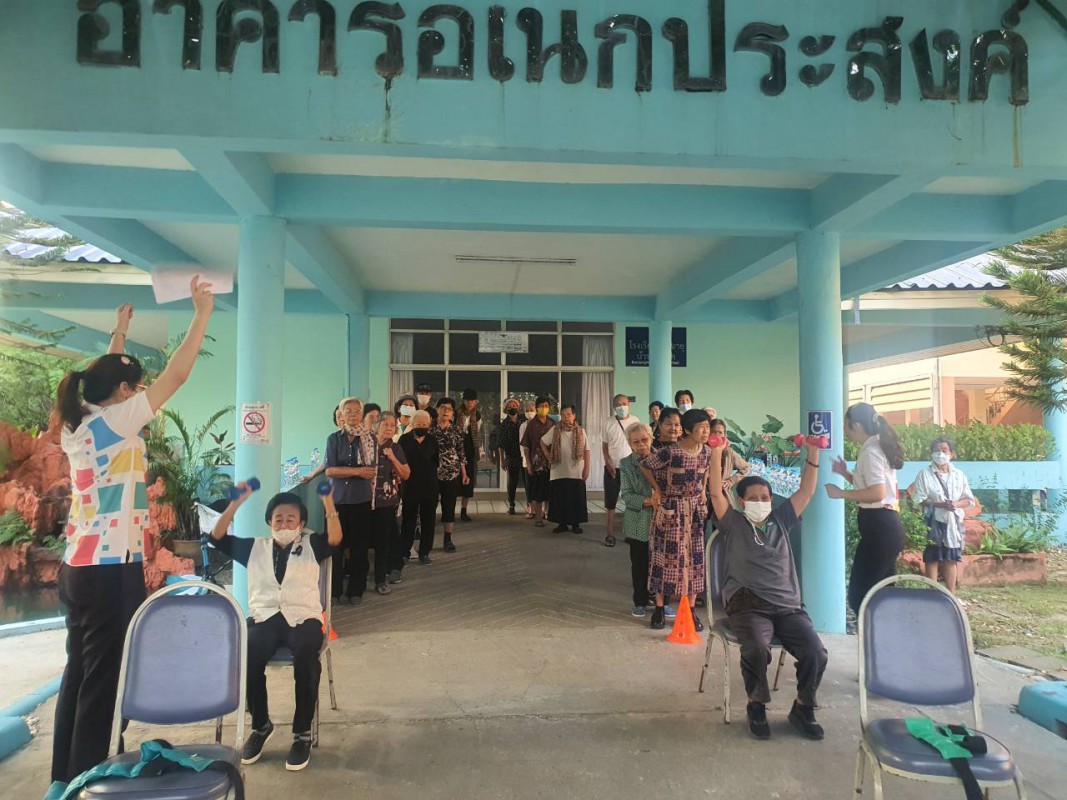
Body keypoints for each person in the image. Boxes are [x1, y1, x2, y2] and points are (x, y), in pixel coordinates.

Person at [50, 282, 214, 786]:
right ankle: (87, 782)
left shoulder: (78, 423)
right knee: (102, 682)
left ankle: (63, 781)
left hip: (77, 567)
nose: (144, 394)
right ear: (124, 393)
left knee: (79, 673)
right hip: (107, 572)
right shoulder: (118, 423)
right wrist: (202, 312)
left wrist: (118, 336)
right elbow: (177, 374)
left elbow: (103, 379)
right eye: (137, 387)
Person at [210, 485, 342, 771]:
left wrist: (328, 502)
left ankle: (302, 732)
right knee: (248, 650)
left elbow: (336, 539)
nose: (284, 523)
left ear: (301, 524)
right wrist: (234, 505)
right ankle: (260, 725)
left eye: (290, 518)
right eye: (278, 518)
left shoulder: (312, 544)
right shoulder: (254, 547)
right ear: (269, 522)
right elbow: (216, 538)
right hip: (266, 616)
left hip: (303, 617)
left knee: (307, 654)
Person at [707, 437, 828, 742]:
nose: (760, 502)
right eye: (753, 498)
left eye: (765, 497)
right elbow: (715, 492)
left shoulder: (782, 520)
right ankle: (756, 705)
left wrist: (813, 454)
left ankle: (803, 707)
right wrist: (717, 452)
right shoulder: (733, 523)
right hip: (747, 603)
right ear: (741, 502)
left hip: (787, 606)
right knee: (757, 648)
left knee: (815, 652)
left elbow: (806, 490)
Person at [825, 402, 906, 615]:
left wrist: (841, 493)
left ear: (857, 425)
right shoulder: (875, 447)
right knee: (880, 592)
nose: (844, 428)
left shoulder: (871, 451)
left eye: (846, 423)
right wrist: (845, 473)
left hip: (881, 527)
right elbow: (871, 487)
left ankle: (873, 630)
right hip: (882, 528)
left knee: (861, 595)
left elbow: (877, 493)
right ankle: (882, 629)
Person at [640, 408, 713, 631]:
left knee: (695, 560)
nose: (706, 432)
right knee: (665, 559)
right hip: (671, 508)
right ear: (688, 430)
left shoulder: (707, 452)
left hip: (694, 511)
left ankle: (690, 610)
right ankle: (659, 609)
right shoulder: (670, 452)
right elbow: (645, 465)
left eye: (708, 427)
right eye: (701, 428)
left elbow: (706, 471)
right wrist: (657, 489)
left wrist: (702, 490)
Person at [324, 397, 376, 604]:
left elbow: (370, 471)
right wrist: (357, 471)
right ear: (341, 414)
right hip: (337, 500)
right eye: (348, 411)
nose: (353, 414)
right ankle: (334, 591)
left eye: (356, 411)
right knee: (335, 548)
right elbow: (330, 470)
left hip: (361, 499)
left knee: (359, 548)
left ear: (362, 414)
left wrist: (346, 471)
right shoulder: (333, 439)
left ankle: (356, 590)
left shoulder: (370, 439)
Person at [909, 437, 975, 594]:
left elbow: (969, 500)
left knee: (951, 558)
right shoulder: (924, 474)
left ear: (952, 453)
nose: (940, 454)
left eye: (944, 450)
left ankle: (951, 595)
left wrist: (955, 505)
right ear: (931, 453)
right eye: (936, 450)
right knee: (933, 557)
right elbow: (919, 499)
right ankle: (933, 594)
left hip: (953, 521)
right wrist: (939, 505)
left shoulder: (959, 475)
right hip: (934, 520)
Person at [370, 412, 410, 593]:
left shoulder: (395, 447)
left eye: (392, 425)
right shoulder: (367, 445)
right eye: (385, 424)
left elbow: (406, 474)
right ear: (376, 425)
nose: (389, 428)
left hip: (385, 501)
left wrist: (392, 458)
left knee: (384, 540)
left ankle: (381, 580)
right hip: (364, 499)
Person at [620, 424, 655, 617]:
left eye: (644, 439)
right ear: (630, 444)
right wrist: (650, 501)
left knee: (662, 563)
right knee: (640, 564)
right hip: (638, 521)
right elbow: (626, 495)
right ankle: (640, 600)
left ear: (651, 438)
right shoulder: (626, 464)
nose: (641, 445)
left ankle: (661, 601)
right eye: (636, 442)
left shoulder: (663, 458)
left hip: (662, 521)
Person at [541, 404, 590, 534]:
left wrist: (587, 468)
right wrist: (548, 455)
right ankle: (561, 524)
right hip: (558, 470)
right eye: (563, 415)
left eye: (568, 414)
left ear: (574, 415)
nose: (565, 417)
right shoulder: (555, 429)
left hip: (576, 471)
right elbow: (542, 442)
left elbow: (587, 450)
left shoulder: (581, 431)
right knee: (560, 498)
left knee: (575, 498)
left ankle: (575, 524)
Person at [398, 410, 439, 564]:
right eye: (418, 424)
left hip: (430, 485)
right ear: (412, 424)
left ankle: (425, 552)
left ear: (429, 425)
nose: (421, 426)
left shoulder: (432, 440)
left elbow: (437, 460)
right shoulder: (404, 440)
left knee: (429, 520)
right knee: (408, 520)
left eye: (424, 424)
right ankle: (404, 552)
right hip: (410, 485)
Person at [601, 393, 640, 547]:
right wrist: (608, 462)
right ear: (613, 407)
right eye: (618, 404)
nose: (622, 406)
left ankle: (631, 533)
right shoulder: (608, 422)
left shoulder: (635, 420)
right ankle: (609, 534)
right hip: (612, 468)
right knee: (610, 502)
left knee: (631, 501)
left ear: (629, 405)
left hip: (631, 468)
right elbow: (604, 445)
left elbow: (638, 443)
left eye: (624, 403)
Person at [431, 397, 468, 552]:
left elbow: (461, 453)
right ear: (437, 410)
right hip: (432, 474)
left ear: (453, 413)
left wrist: (464, 474)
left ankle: (448, 539)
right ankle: (427, 538)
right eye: (443, 408)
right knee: (429, 507)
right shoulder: (429, 428)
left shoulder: (457, 430)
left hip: (452, 474)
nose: (446, 411)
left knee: (449, 507)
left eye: (449, 409)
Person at [521, 396, 556, 528]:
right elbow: (526, 446)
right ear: (536, 408)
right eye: (541, 406)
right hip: (536, 464)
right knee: (538, 492)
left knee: (550, 490)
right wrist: (528, 464)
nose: (543, 408)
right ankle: (538, 518)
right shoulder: (530, 425)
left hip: (552, 463)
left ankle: (548, 513)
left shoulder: (553, 423)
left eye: (546, 406)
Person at [456, 388, 482, 522]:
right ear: (463, 401)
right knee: (454, 481)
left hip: (470, 448)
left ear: (476, 401)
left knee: (468, 481)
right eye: (467, 400)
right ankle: (449, 510)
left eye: (472, 400)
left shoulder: (477, 415)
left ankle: (464, 511)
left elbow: (477, 433)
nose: (469, 403)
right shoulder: (456, 413)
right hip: (456, 448)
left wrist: (477, 450)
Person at [497, 398, 525, 515]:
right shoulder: (503, 425)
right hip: (511, 456)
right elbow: (500, 444)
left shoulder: (524, 420)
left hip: (525, 455)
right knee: (513, 481)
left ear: (518, 407)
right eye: (509, 406)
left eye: (514, 405)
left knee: (527, 480)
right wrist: (502, 459)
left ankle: (530, 504)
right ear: (505, 409)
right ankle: (511, 504)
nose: (512, 408)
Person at [301, 405, 342, 485]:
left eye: (343, 416)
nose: (341, 420)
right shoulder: (333, 439)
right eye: (338, 417)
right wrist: (311, 476)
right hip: (335, 485)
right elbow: (327, 462)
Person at [710, 418, 749, 497]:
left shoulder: (729, 452)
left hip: (722, 494)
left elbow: (745, 467)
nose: (717, 435)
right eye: (714, 432)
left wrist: (731, 480)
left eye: (720, 432)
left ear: (725, 435)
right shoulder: (703, 451)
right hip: (705, 495)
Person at [518, 400, 537, 518]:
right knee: (529, 485)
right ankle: (530, 507)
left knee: (539, 485)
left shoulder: (539, 424)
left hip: (539, 460)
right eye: (527, 410)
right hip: (526, 460)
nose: (529, 412)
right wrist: (524, 459)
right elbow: (521, 444)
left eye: (532, 410)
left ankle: (542, 509)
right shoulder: (523, 426)